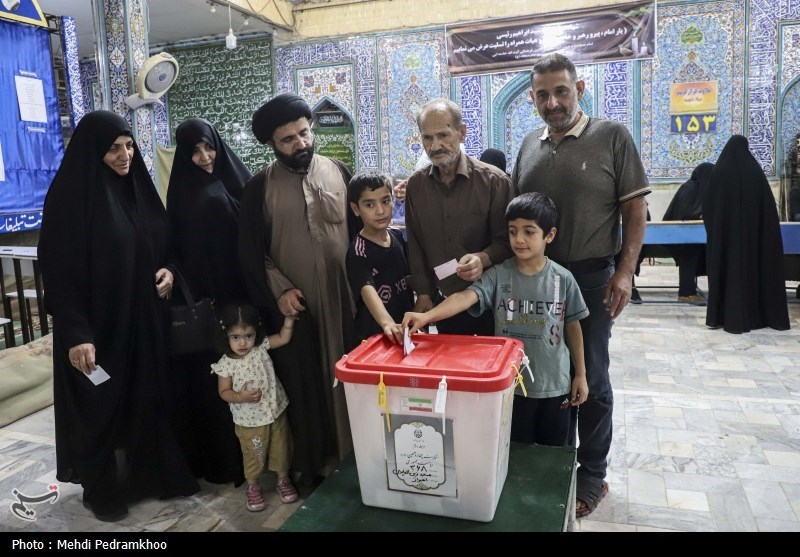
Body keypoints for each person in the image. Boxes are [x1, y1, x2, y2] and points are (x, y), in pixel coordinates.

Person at [38, 110, 200, 522]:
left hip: (144, 322)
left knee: (145, 398)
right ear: (93, 151)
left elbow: (165, 244)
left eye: (129, 146)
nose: (125, 155)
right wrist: (77, 333)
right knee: (99, 406)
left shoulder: (138, 190)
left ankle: (147, 478)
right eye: (113, 148)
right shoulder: (71, 200)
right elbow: (59, 273)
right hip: (98, 328)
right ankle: (102, 488)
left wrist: (169, 271)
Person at [512, 53, 650, 518]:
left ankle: (591, 473)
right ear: (532, 99)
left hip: (591, 280)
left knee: (590, 376)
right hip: (537, 282)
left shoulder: (611, 136)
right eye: (542, 95)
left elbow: (635, 210)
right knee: (545, 376)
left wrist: (625, 272)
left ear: (580, 89)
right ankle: (549, 464)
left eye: (561, 91)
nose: (552, 102)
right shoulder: (528, 145)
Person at [238, 93, 361, 482]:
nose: (301, 143)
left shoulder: (339, 171)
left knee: (351, 373)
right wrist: (280, 290)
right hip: (297, 306)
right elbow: (252, 253)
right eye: (288, 139)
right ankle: (318, 461)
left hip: (344, 300)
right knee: (309, 385)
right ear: (272, 144)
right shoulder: (259, 187)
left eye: (305, 133)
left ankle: (359, 453)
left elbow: (359, 234)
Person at [403, 193, 589, 446]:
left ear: (550, 235)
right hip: (510, 386)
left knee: (554, 454)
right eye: (512, 232)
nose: (519, 239)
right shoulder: (498, 275)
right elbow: (465, 297)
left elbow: (573, 326)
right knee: (514, 450)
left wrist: (581, 375)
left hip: (555, 386)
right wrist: (426, 316)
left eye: (529, 232)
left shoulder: (563, 278)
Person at [167, 117, 252, 487]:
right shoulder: (183, 195)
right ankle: (226, 463)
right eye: (195, 151)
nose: (204, 157)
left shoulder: (238, 180)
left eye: (208, 147)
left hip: (247, 299)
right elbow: (180, 252)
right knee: (220, 385)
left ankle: (259, 460)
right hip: (212, 307)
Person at [405, 98, 514, 335]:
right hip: (445, 303)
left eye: (443, 135)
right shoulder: (416, 186)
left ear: (462, 132)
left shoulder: (494, 182)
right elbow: (415, 243)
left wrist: (483, 259)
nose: (435, 146)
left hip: (490, 302)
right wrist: (423, 292)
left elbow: (509, 242)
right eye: (427, 138)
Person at [212, 304, 299, 511]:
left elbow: (283, 338)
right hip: (249, 421)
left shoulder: (260, 348)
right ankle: (252, 486)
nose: (243, 343)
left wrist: (289, 320)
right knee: (253, 454)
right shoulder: (225, 364)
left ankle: (283, 479)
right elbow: (223, 392)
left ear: (256, 333)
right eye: (235, 337)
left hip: (276, 411)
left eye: (248, 336)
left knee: (281, 448)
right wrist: (239, 397)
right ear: (225, 335)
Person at [703, 135, 790, 333]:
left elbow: (708, 207)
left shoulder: (720, 172)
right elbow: (768, 212)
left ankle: (723, 316)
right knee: (754, 270)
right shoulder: (755, 172)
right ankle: (756, 316)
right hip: (754, 241)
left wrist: (719, 230)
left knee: (728, 271)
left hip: (726, 240)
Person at [346, 172, 414, 343]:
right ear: (356, 209)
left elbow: (408, 278)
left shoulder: (397, 237)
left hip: (404, 330)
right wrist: (387, 323)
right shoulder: (358, 251)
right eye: (369, 204)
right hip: (376, 336)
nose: (380, 211)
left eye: (385, 201)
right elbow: (366, 288)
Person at [662, 162, 714, 303]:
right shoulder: (691, 189)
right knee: (689, 258)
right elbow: (687, 213)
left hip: (687, 235)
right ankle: (686, 293)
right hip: (683, 235)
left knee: (693, 257)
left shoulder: (693, 187)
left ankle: (690, 291)